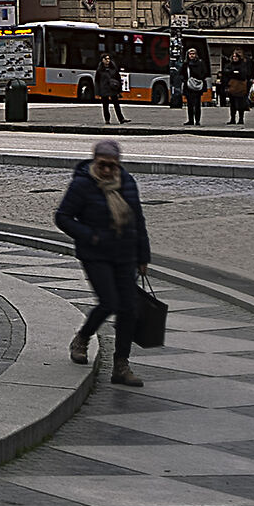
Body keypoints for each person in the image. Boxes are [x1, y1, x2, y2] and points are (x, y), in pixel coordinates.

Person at [55, 138, 151, 387]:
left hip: (125, 252)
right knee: (109, 302)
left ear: (118, 164)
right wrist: (90, 235)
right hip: (95, 252)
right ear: (95, 161)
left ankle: (121, 364)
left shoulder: (126, 182)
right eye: (102, 165)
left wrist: (143, 256)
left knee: (128, 308)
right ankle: (83, 337)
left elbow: (137, 220)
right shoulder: (83, 184)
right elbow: (63, 217)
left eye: (111, 165)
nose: (107, 170)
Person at [219, 46, 254, 125]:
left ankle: (241, 119)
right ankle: (232, 119)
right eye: (233, 57)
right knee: (232, 104)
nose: (235, 58)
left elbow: (243, 74)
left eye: (236, 57)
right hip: (232, 87)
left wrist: (233, 73)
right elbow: (226, 73)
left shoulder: (243, 65)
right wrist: (233, 73)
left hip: (240, 87)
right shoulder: (229, 65)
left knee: (241, 104)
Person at [179, 46, 210, 126]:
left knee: (197, 104)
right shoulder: (186, 64)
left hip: (197, 86)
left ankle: (197, 120)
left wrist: (198, 77)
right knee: (189, 104)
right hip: (188, 86)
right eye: (190, 54)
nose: (192, 55)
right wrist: (184, 79)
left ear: (196, 55)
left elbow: (204, 73)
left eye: (193, 54)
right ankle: (190, 120)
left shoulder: (200, 63)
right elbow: (181, 73)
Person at [93, 51, 125, 126]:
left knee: (116, 104)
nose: (108, 60)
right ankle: (107, 120)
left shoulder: (113, 68)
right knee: (105, 105)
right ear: (102, 60)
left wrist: (119, 90)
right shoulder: (100, 70)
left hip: (112, 89)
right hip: (104, 89)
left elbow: (118, 78)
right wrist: (97, 92)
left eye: (109, 59)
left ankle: (121, 119)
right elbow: (97, 81)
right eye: (106, 59)